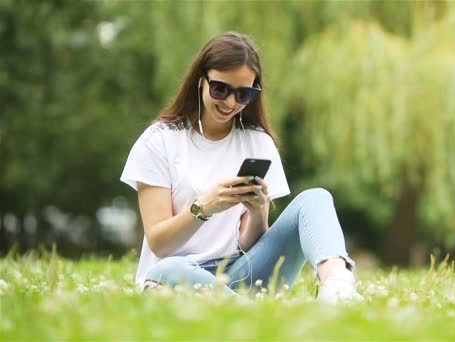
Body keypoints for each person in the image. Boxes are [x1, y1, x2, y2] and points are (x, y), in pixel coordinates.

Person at [120, 32, 361, 303]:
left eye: (244, 93)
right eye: (220, 89)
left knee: (316, 198)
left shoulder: (258, 142)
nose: (231, 103)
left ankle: (338, 286)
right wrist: (204, 207)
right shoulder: (160, 140)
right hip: (177, 272)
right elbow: (160, 244)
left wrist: (258, 214)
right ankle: (250, 311)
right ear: (201, 80)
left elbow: (248, 246)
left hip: (237, 273)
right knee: (168, 269)